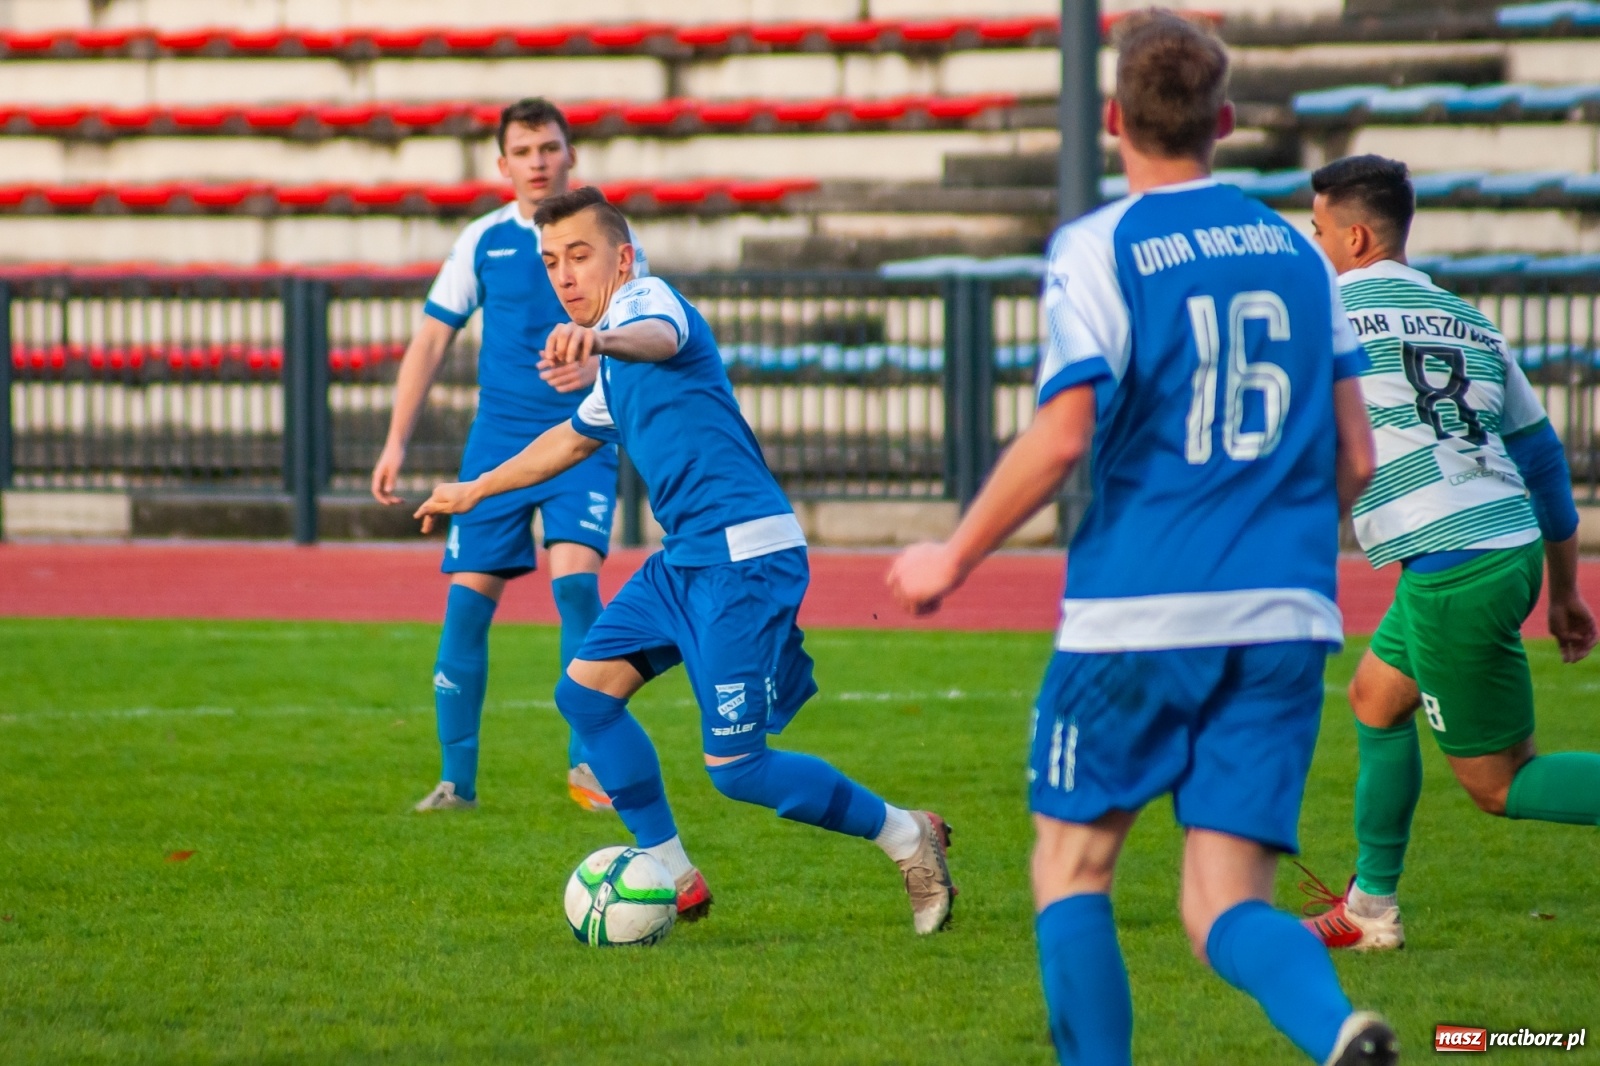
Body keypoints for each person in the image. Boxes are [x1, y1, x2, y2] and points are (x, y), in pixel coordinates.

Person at [888, 12, 1398, 1065]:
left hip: (1138, 609)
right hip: (1284, 615)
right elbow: (1358, 455)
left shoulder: (1099, 246)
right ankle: (1336, 1027)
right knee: (1222, 906)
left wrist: (952, 555)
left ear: (1114, 119)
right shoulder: (1302, 259)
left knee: (1071, 867)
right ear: (1224, 120)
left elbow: (1062, 433)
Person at [412, 185, 957, 931]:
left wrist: (601, 342)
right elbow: (568, 441)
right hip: (685, 562)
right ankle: (672, 874)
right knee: (584, 698)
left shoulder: (648, 303)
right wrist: (474, 489)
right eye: (551, 261)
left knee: (739, 770)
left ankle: (908, 835)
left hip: (743, 559)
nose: (564, 275)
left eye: (579, 255)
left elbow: (658, 338)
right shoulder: (611, 365)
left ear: (623, 259)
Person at [1300, 154, 1600, 951]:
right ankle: (1369, 909)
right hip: (1504, 541)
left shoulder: (1325, 315)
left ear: (1354, 238)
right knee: (1375, 697)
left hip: (1452, 562)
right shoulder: (1467, 320)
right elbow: (1543, 463)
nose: (1313, 245)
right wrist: (1565, 591)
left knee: (1502, 785)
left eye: (1318, 230)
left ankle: (1371, 910)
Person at [372, 98, 646, 814]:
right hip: (496, 445)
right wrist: (397, 439)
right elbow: (431, 340)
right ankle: (455, 784)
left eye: (548, 148)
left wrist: (598, 364)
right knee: (467, 606)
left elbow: (643, 330)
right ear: (503, 164)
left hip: (582, 439)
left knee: (576, 588)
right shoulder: (483, 241)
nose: (537, 162)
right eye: (522, 152)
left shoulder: (613, 239)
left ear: (570, 155)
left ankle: (589, 769)